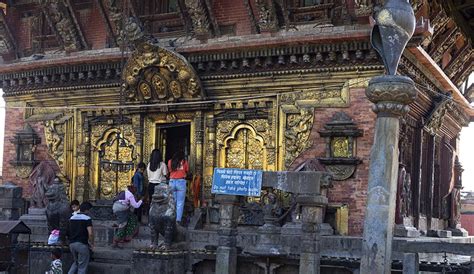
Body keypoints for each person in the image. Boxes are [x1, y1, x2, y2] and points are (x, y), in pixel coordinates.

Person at [67, 202, 93, 274]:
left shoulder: (72, 218)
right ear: (87, 210)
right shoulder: (87, 218)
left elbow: (68, 231)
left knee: (76, 263)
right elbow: (90, 233)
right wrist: (91, 243)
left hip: (72, 244)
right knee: (82, 266)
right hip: (82, 244)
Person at [168, 151, 189, 224]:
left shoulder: (170, 161)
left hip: (172, 182)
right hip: (181, 182)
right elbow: (187, 170)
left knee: (172, 202)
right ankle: (178, 220)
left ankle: (171, 218)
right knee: (180, 202)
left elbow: (170, 170)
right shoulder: (184, 162)